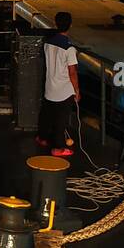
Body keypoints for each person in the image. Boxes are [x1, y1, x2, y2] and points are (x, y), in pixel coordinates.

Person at [37, 12, 79, 157]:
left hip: (50, 87)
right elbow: (72, 72)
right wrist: (77, 90)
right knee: (61, 120)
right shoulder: (70, 48)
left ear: (55, 24)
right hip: (64, 90)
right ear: (70, 25)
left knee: (47, 115)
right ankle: (58, 147)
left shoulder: (47, 43)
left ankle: (42, 138)